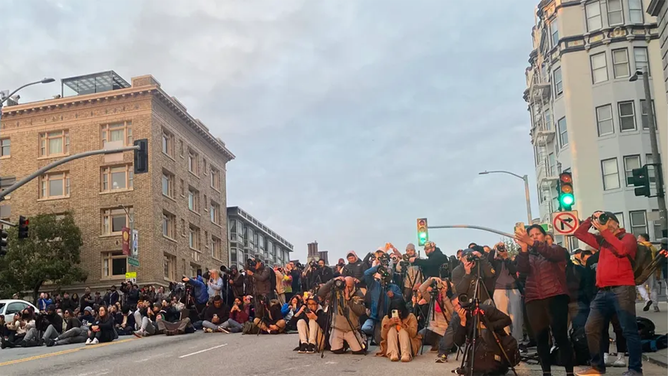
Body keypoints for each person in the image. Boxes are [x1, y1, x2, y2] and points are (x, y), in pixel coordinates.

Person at [574, 212, 642, 376]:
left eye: (606, 220)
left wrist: (604, 231)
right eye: (601, 220)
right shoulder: (603, 241)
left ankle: (635, 369)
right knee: (591, 328)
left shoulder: (628, 237)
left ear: (615, 223)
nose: (603, 223)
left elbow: (622, 250)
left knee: (629, 330)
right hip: (602, 292)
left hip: (622, 289)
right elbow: (579, 234)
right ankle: (597, 366)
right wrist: (591, 219)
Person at [515, 224, 574, 376]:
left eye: (537, 234)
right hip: (534, 299)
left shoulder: (556, 250)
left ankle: (569, 372)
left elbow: (552, 255)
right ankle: (546, 372)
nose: (534, 237)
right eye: (531, 235)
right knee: (540, 338)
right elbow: (522, 270)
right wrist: (523, 248)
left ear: (544, 236)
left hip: (555, 296)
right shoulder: (527, 255)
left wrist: (532, 243)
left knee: (560, 336)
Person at [318, 276, 367, 354]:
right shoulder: (335, 292)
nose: (347, 288)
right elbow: (321, 294)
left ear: (353, 286)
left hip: (352, 328)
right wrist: (332, 281)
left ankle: (361, 338)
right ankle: (344, 344)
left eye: (349, 286)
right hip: (337, 327)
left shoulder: (358, 294)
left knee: (359, 351)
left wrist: (349, 300)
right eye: (345, 285)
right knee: (336, 350)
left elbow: (361, 311)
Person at [376, 298, 421, 362]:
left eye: (399, 311)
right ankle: (393, 353)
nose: (398, 313)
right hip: (391, 344)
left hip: (408, 344)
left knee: (402, 331)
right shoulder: (386, 318)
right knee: (392, 330)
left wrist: (402, 325)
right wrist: (388, 325)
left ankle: (406, 354)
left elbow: (413, 333)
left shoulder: (411, 317)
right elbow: (383, 336)